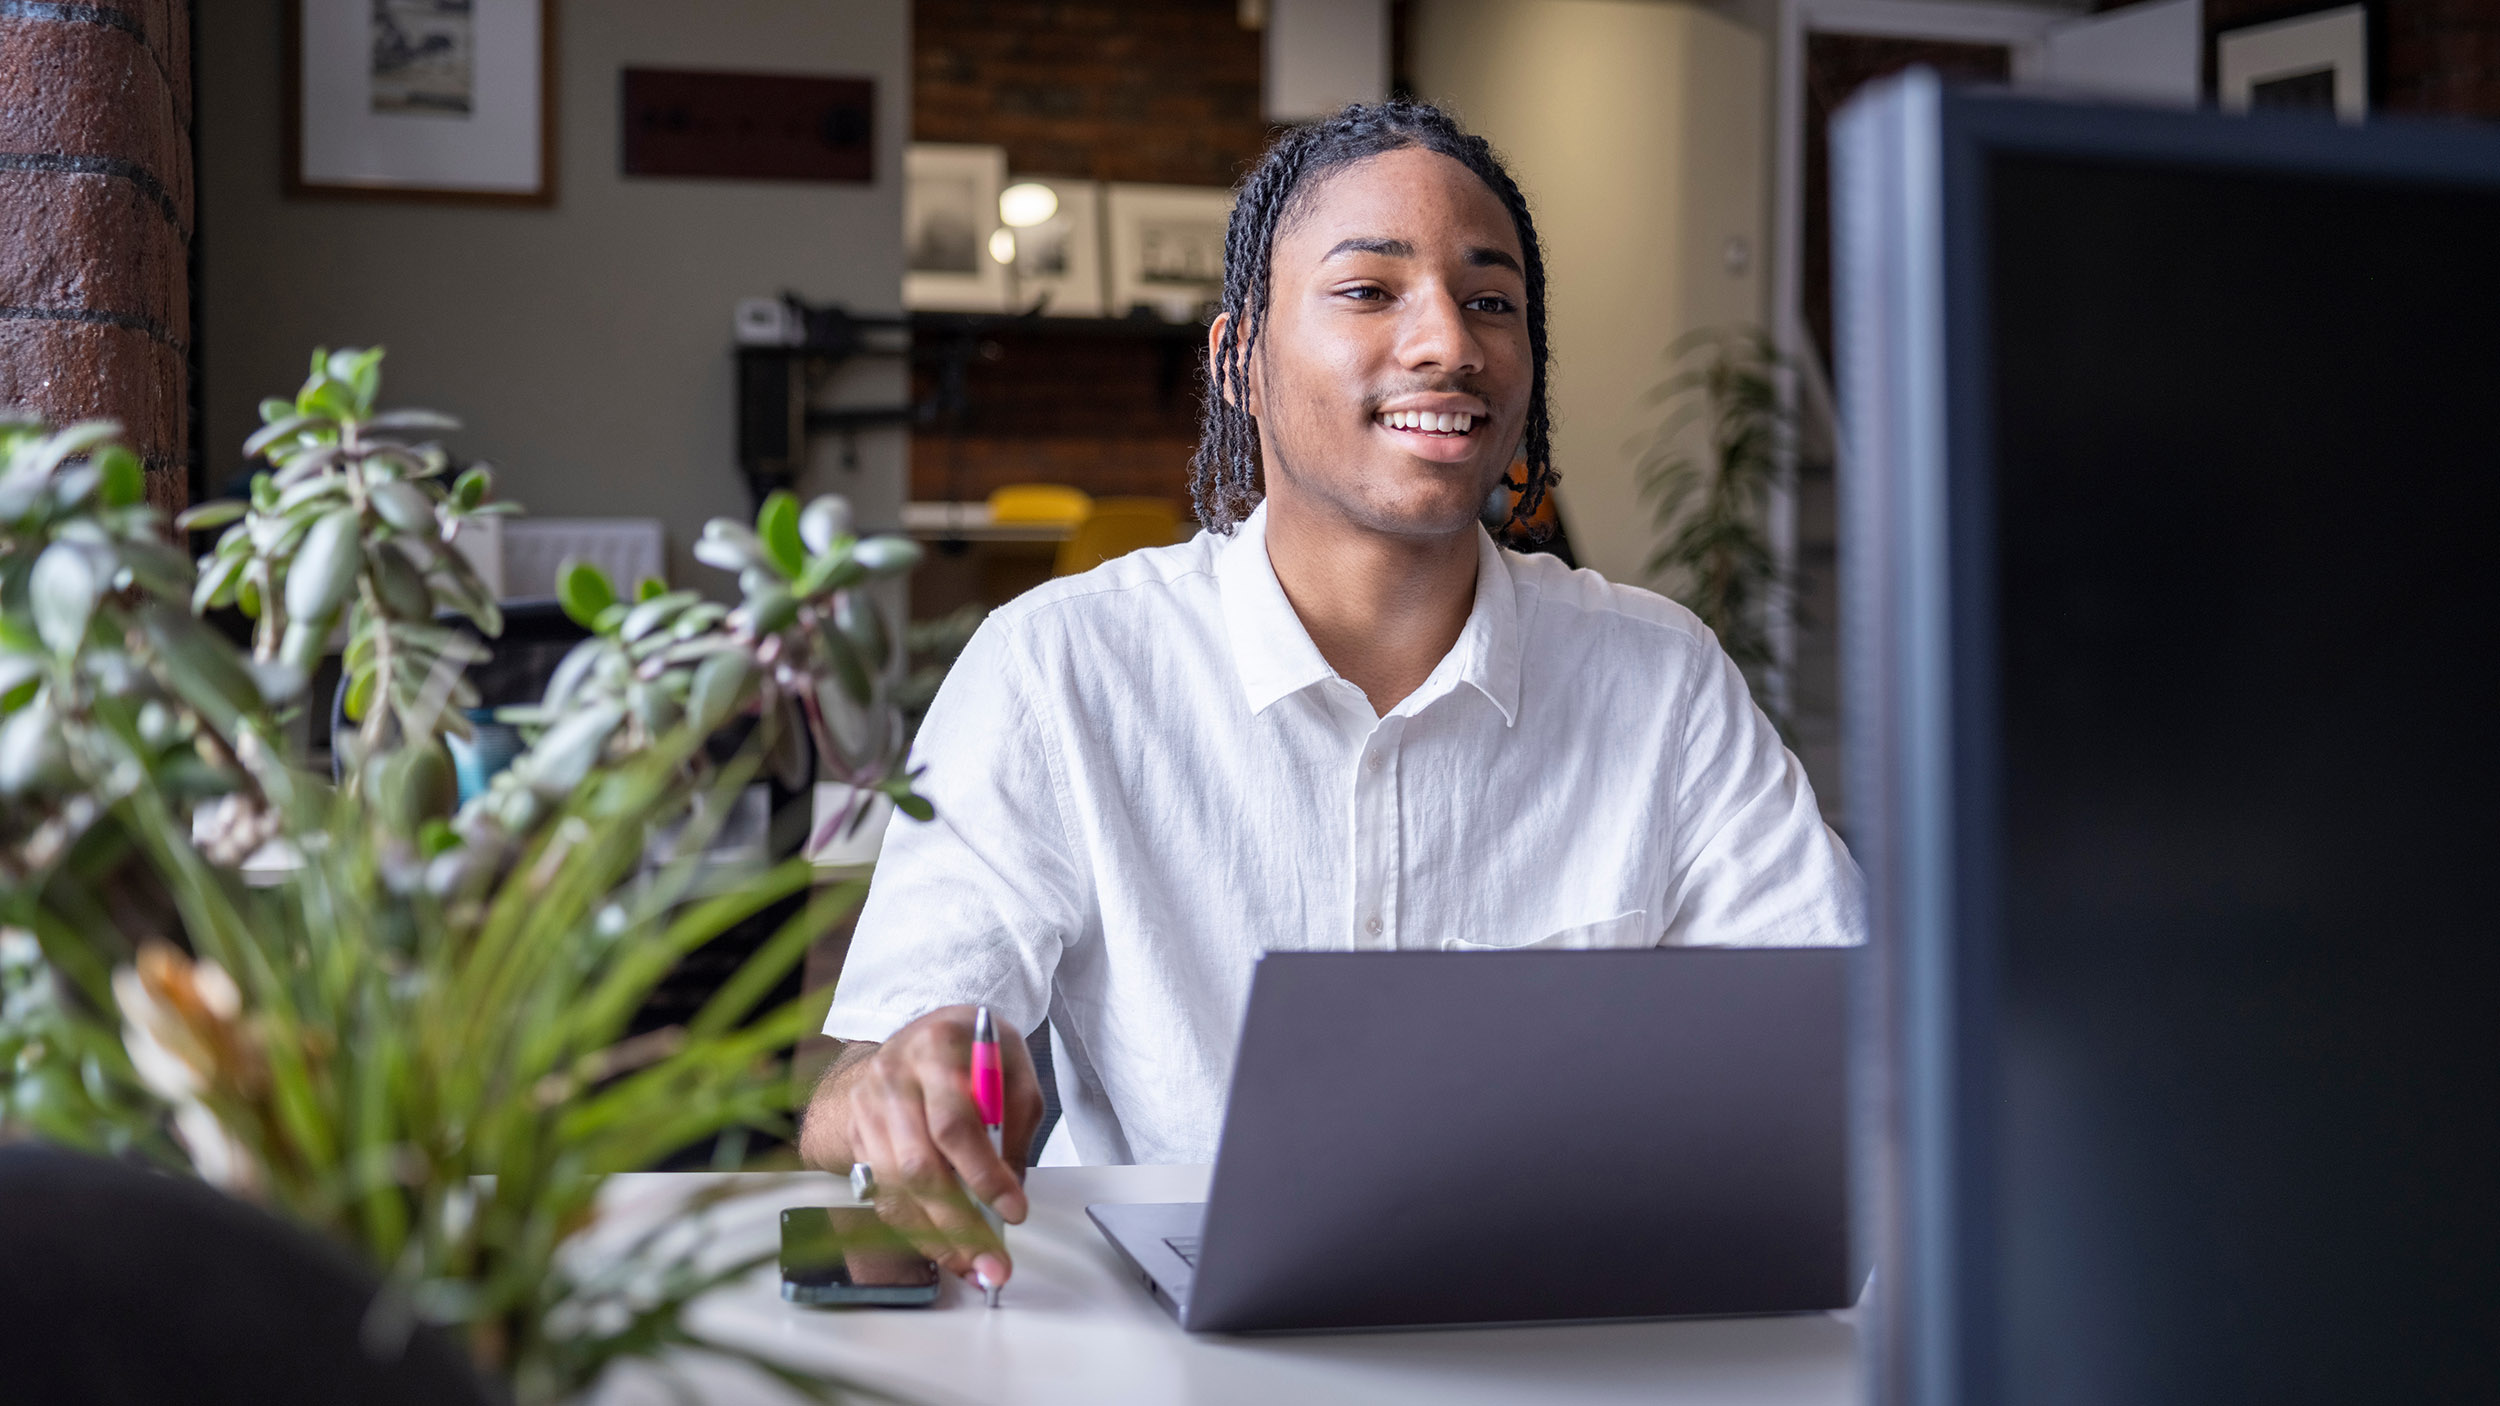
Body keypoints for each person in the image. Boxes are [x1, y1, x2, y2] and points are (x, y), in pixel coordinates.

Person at [797, 102, 1862, 1293]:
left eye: (1491, 300)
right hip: (1175, 1356)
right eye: (1369, 290)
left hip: (1568, 1333)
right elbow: (868, 1080)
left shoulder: (1659, 680)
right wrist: (905, 1094)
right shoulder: (1058, 669)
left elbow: (1845, 1048)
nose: (1446, 342)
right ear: (1237, 360)